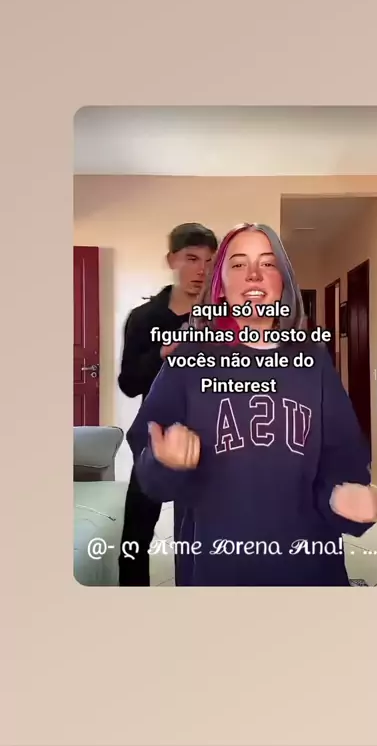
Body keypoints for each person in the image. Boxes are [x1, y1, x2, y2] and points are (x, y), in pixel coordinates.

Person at [126, 223, 377, 586]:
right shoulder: (189, 358)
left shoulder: (314, 360)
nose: (253, 274)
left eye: (267, 263)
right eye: (238, 264)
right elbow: (148, 458)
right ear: (220, 284)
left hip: (309, 569)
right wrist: (165, 462)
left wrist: (348, 500)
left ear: (282, 282)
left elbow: (344, 458)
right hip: (216, 570)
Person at [117, 222, 218, 586]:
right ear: (172, 260)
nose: (201, 270)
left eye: (209, 261)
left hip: (212, 441)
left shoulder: (225, 318)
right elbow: (128, 384)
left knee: (205, 539)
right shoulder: (143, 319)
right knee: (135, 536)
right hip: (156, 438)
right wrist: (164, 351)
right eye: (191, 258)